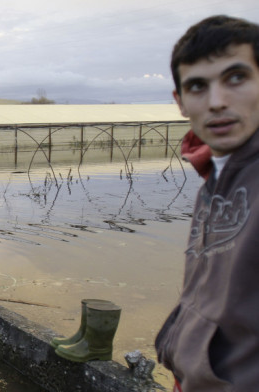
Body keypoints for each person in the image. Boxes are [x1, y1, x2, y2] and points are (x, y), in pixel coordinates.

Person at [155, 15, 259, 391]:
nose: (217, 102)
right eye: (198, 86)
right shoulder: (213, 182)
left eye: (236, 78)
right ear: (180, 102)